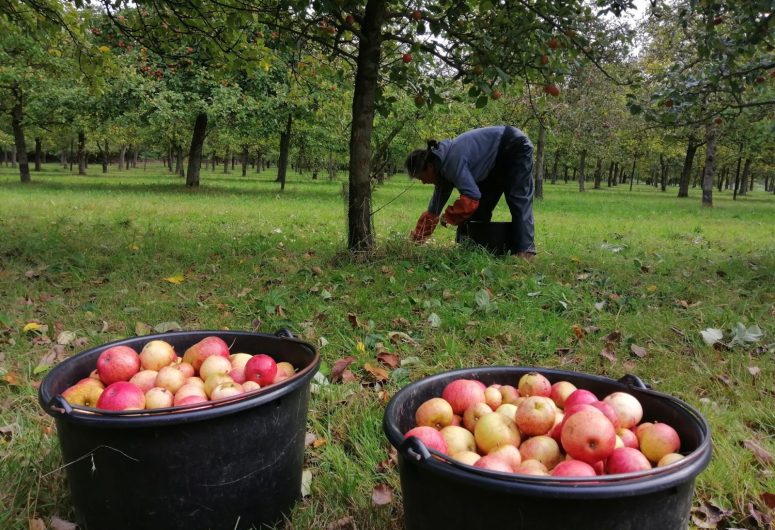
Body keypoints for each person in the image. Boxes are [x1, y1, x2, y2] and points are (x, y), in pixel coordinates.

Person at [405, 125, 536, 258]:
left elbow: (472, 197)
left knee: (518, 198)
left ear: (429, 167)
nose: (423, 182)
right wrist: (418, 237)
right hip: (494, 160)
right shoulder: (441, 170)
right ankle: (471, 248)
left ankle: (526, 252)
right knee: (480, 208)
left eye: (421, 178)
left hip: (514, 145)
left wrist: (450, 216)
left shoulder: (451, 162)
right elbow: (434, 209)